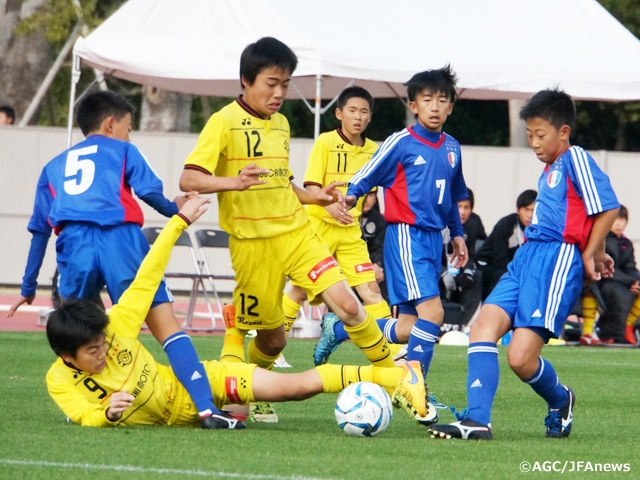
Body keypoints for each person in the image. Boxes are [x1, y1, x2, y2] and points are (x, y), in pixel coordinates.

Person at [45, 196, 428, 428]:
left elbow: (148, 273)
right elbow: (82, 415)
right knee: (243, 410)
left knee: (294, 387)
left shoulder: (117, 326)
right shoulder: (58, 380)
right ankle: (234, 332)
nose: (104, 351)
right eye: (93, 352)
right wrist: (106, 414)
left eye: (102, 343)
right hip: (181, 417)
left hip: (200, 383)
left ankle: (396, 376)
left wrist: (178, 222)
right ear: (67, 357)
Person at [179, 37, 395, 424]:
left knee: (348, 304)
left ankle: (400, 378)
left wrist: (317, 199)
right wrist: (233, 183)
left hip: (297, 234)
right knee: (273, 339)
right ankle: (253, 386)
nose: (279, 93)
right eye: (271, 83)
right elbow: (188, 178)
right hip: (253, 245)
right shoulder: (223, 121)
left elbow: (283, 184)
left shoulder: (280, 123)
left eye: (285, 84)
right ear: (246, 80)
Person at [7, 91, 224, 429]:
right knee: (169, 331)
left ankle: (85, 405)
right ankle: (207, 408)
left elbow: (39, 230)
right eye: (128, 127)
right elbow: (149, 193)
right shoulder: (123, 150)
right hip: (119, 239)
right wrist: (176, 209)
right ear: (111, 124)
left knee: (80, 333)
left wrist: (28, 285)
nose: (129, 134)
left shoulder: (53, 167)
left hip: (74, 245)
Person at [428, 89, 619, 441]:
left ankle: (561, 400)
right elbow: (585, 212)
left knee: (520, 358)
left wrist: (592, 252)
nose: (533, 142)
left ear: (564, 132)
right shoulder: (551, 168)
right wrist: (599, 247)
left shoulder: (575, 157)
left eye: (540, 134)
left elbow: (607, 207)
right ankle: (477, 420)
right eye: (529, 134)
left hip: (555, 261)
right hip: (527, 258)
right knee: (483, 327)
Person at [329, 66, 469, 424]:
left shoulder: (453, 147)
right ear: (413, 104)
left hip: (433, 241)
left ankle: (343, 328)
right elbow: (368, 172)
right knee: (434, 315)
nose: (435, 106)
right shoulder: (401, 141)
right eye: (427, 100)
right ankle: (412, 385)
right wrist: (351, 196)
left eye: (442, 100)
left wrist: (457, 234)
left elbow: (454, 196)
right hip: (405, 235)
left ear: (451, 107)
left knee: (408, 325)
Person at [283, 86, 393, 366]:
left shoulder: (373, 150)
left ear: (370, 117)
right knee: (299, 290)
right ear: (339, 113)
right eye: (352, 110)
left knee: (371, 291)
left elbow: (372, 193)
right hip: (318, 228)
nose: (358, 117)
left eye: (364, 112)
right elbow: (311, 185)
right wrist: (329, 205)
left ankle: (390, 350)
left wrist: (362, 202)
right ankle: (274, 345)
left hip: (350, 232)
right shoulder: (325, 142)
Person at [475, 189, 537, 300]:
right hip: (487, 264)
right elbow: (499, 260)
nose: (530, 215)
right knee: (504, 276)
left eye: (533, 210)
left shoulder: (538, 229)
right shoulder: (506, 224)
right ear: (518, 210)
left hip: (511, 265)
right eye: (526, 210)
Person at [440, 189, 486, 329]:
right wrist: (442, 272)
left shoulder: (471, 225)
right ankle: (439, 324)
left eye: (466, 207)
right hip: (436, 269)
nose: (462, 212)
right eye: (458, 207)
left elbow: (470, 254)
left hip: (456, 268)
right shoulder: (439, 223)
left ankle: (465, 324)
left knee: (476, 276)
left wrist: (468, 270)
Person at [594, 206, 640, 345]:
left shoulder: (627, 243)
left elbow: (630, 267)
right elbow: (605, 268)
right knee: (620, 294)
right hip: (604, 281)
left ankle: (628, 326)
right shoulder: (602, 241)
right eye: (615, 220)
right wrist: (631, 282)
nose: (619, 223)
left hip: (624, 281)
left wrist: (637, 281)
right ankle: (613, 334)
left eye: (622, 219)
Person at [360, 190, 389, 302]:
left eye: (371, 195)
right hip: (350, 265)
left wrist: (377, 264)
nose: (366, 199)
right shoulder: (346, 217)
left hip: (373, 267)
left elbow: (380, 246)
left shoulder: (379, 220)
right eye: (363, 195)